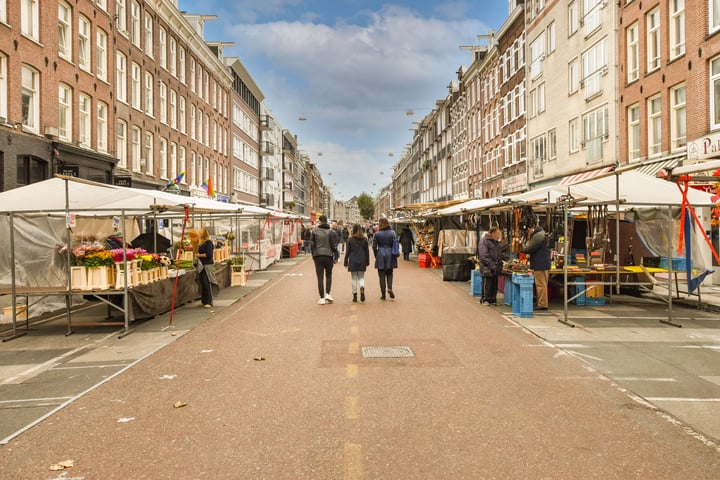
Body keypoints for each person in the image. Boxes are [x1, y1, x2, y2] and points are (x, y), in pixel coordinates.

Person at [521, 223, 552, 310]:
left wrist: (522, 249)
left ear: (532, 228)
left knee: (540, 285)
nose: (529, 232)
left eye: (529, 230)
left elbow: (529, 248)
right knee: (543, 284)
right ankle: (542, 303)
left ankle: (542, 304)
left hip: (540, 264)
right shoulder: (541, 234)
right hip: (543, 263)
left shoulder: (538, 236)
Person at [311, 215, 339, 305]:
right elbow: (335, 246)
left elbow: (312, 245)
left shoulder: (314, 232)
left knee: (320, 277)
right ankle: (328, 293)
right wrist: (336, 257)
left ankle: (322, 297)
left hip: (318, 256)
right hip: (328, 256)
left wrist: (313, 255)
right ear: (327, 221)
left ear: (320, 221)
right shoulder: (332, 232)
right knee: (329, 275)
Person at [372, 217, 398, 300]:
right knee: (390, 273)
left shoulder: (377, 234)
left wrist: (377, 255)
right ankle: (389, 288)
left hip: (380, 253)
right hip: (390, 253)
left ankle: (383, 295)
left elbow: (374, 247)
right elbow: (395, 243)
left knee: (381, 275)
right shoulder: (392, 232)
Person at [477, 227, 504, 306]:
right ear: (492, 233)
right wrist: (492, 265)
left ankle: (492, 299)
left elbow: (498, 253)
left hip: (495, 267)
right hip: (487, 267)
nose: (499, 235)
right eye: (498, 234)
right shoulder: (484, 241)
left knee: (494, 284)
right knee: (487, 283)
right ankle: (485, 299)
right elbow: (483, 256)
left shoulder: (496, 242)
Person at [344, 223, 370, 302]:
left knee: (354, 279)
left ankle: (355, 295)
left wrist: (345, 262)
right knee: (361, 277)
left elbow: (347, 252)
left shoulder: (350, 239)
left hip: (353, 260)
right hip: (362, 259)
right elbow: (367, 251)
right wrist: (367, 261)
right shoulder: (365, 239)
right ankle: (362, 287)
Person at [196, 227, 218, 308]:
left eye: (200, 232)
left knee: (207, 282)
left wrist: (199, 255)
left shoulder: (208, 243)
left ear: (203, 234)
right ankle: (204, 300)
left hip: (207, 265)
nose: (198, 233)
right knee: (202, 282)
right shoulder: (200, 243)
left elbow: (209, 254)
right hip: (201, 265)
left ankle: (209, 301)